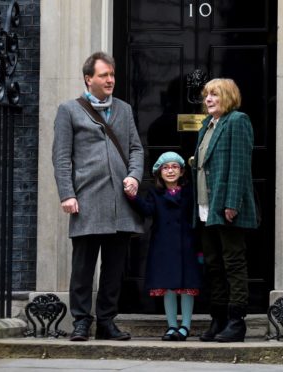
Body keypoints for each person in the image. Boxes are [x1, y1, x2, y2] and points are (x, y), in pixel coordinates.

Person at [52, 51, 144, 342]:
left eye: (112, 75)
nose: (110, 80)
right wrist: (67, 193)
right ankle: (81, 321)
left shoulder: (124, 109)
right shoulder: (68, 110)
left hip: (120, 202)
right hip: (86, 200)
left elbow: (136, 149)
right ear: (88, 78)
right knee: (83, 267)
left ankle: (106, 321)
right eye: (104, 75)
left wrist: (134, 176)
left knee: (114, 269)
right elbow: (61, 156)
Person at [192, 78, 259, 343]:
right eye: (206, 95)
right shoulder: (207, 126)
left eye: (214, 95)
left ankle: (236, 322)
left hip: (226, 204)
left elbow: (240, 165)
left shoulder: (237, 121)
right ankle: (217, 320)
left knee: (233, 263)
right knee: (213, 264)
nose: (208, 99)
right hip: (205, 205)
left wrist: (232, 203)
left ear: (228, 97)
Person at [125, 151, 202, 341]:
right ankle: (171, 325)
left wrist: (199, 245)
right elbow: (148, 210)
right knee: (167, 287)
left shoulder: (190, 192)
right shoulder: (154, 193)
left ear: (182, 172)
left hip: (187, 245)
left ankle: (185, 325)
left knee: (186, 287)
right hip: (163, 246)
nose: (170, 171)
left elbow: (197, 216)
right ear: (159, 172)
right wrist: (133, 197)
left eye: (174, 167)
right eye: (166, 168)